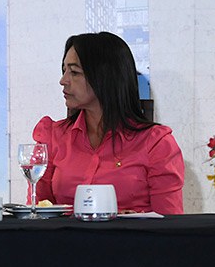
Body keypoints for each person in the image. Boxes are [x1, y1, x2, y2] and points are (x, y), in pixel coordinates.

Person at [32, 32, 184, 214]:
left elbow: (170, 225)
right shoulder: (52, 137)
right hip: (64, 241)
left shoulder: (156, 143)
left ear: (105, 77)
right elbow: (38, 212)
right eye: (64, 70)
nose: (63, 81)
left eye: (74, 72)